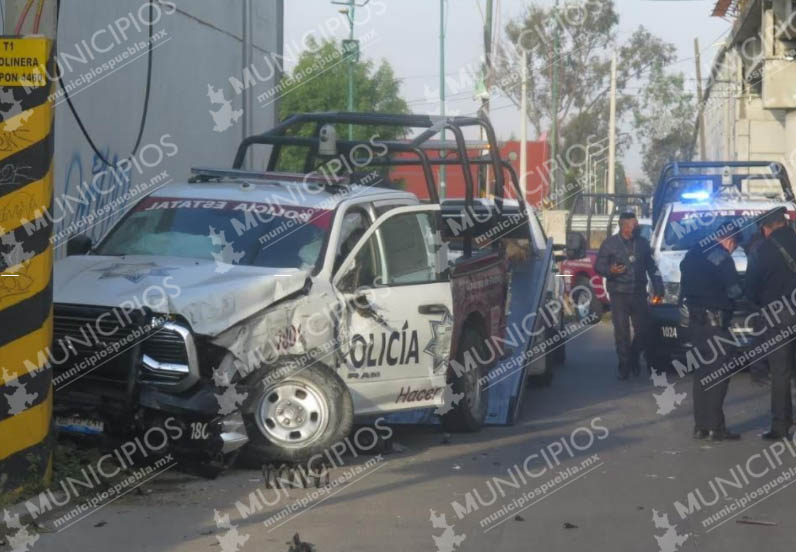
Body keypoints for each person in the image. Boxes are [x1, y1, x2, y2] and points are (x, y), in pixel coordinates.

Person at [680, 233, 743, 441]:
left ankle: (701, 426)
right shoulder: (722, 257)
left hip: (696, 322)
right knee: (720, 373)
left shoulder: (692, 254)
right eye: (734, 247)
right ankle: (716, 428)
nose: (732, 251)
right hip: (716, 323)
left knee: (702, 373)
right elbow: (734, 290)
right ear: (730, 241)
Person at [744, 207, 796, 440]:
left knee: (780, 371)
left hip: (779, 316)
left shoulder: (761, 250)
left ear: (766, 228)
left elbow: (750, 289)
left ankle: (781, 425)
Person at [595, 212, 664, 380]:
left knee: (644, 330)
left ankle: (634, 356)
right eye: (634, 224)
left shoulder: (642, 244)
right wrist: (610, 271)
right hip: (619, 293)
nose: (637, 226)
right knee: (622, 332)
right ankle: (624, 366)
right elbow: (598, 266)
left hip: (639, 292)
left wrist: (659, 286)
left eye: (637, 224)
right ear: (624, 226)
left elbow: (651, 267)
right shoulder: (610, 244)